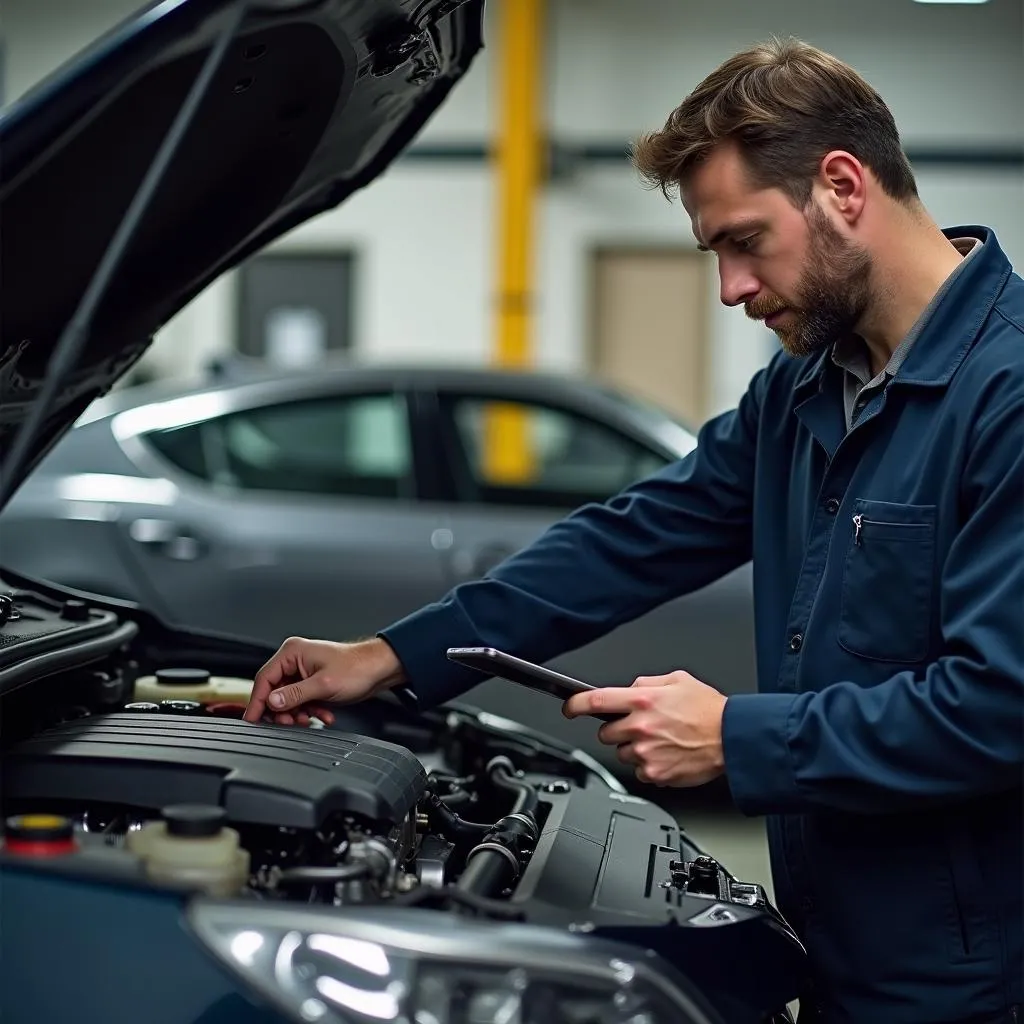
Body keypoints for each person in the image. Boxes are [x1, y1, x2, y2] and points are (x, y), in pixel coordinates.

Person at [243, 38, 1023, 1024]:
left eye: (744, 240)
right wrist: (394, 654)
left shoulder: (1007, 394)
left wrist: (735, 736)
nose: (732, 289)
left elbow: (998, 705)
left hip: (967, 979)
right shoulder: (805, 385)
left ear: (841, 185)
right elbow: (638, 533)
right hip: (826, 940)